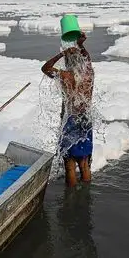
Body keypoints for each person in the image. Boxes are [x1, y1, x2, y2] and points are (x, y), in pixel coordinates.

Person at [41, 32, 94, 187]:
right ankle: (86, 196)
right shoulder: (89, 74)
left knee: (69, 164)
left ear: (68, 61)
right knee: (84, 163)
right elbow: (88, 60)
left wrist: (62, 53)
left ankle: (70, 200)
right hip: (86, 119)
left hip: (71, 120)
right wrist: (81, 45)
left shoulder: (64, 75)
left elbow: (45, 68)